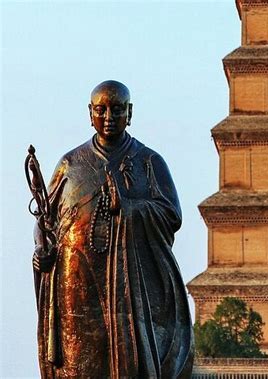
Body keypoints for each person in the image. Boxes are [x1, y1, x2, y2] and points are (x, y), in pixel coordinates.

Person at [32, 80, 194, 378]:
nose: (109, 117)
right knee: (78, 359)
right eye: (101, 109)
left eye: (117, 110)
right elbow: (46, 222)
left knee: (128, 361)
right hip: (77, 278)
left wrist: (130, 207)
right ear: (89, 113)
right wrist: (42, 251)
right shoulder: (70, 164)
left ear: (129, 113)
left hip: (130, 282)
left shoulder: (148, 162)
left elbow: (171, 214)